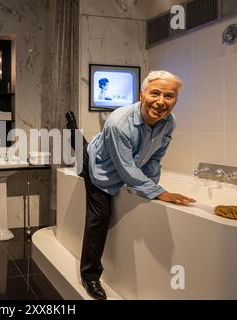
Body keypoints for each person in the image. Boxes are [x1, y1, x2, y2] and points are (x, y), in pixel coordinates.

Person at [65, 70, 196, 300]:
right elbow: (125, 168)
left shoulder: (169, 122)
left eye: (169, 96)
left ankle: (76, 134)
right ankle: (90, 276)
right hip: (99, 167)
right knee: (99, 216)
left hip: (113, 156)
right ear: (142, 94)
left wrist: (150, 187)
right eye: (155, 93)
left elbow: (155, 158)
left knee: (86, 145)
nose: (161, 102)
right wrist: (159, 193)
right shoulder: (119, 122)